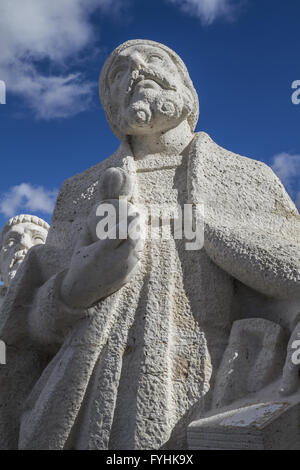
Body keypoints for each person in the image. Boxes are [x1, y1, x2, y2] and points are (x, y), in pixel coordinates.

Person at [0, 40, 299, 450]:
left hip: (204, 392)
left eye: (154, 59)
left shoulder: (245, 176)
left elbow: (291, 276)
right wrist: (79, 286)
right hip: (82, 405)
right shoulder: (81, 191)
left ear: (186, 89)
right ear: (111, 109)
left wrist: (208, 230)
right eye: (119, 72)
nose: (138, 67)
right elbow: (31, 329)